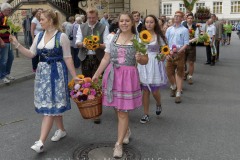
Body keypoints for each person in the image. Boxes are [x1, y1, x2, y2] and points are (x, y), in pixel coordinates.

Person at [9, 9, 80, 153]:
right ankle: (61, 130)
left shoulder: (62, 36)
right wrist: (17, 44)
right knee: (52, 105)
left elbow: (67, 57)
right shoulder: (39, 35)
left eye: (42, 19)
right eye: (39, 19)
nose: (39, 22)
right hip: (42, 74)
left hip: (56, 74)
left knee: (49, 108)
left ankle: (40, 141)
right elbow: (31, 54)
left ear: (50, 20)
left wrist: (75, 77)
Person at [92, 12, 148, 158]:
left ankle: (118, 144)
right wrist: (97, 74)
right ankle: (126, 131)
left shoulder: (138, 39)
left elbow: (145, 60)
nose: (124, 23)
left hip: (128, 77)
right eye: (122, 21)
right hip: (113, 75)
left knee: (123, 111)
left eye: (127, 21)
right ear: (118, 23)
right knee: (118, 108)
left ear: (132, 23)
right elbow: (106, 58)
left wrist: (140, 58)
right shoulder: (112, 37)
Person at [75, 7, 109, 124]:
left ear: (97, 17)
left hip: (98, 58)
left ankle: (97, 112)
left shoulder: (103, 27)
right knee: (86, 82)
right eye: (89, 18)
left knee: (96, 83)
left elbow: (106, 44)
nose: (91, 20)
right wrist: (84, 44)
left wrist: (97, 45)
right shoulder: (81, 26)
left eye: (93, 17)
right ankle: (89, 105)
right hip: (85, 57)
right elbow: (77, 42)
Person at [137, 15, 168, 124]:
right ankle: (146, 114)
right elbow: (137, 48)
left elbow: (165, 49)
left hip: (154, 64)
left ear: (155, 23)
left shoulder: (158, 36)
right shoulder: (140, 36)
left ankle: (158, 103)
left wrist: (163, 56)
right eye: (147, 22)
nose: (149, 24)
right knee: (145, 90)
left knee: (154, 91)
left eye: (151, 22)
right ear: (144, 23)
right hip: (143, 64)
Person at [165, 11, 189, 103]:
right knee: (168, 72)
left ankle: (178, 93)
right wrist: (167, 52)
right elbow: (166, 42)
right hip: (170, 53)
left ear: (182, 18)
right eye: (175, 16)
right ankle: (173, 86)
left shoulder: (184, 30)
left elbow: (186, 43)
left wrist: (179, 51)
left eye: (179, 16)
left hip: (180, 53)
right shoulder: (169, 29)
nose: (176, 17)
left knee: (179, 73)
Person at [182, 13, 199, 85]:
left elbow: (197, 37)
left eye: (191, 18)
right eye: (189, 18)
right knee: (183, 62)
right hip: (183, 46)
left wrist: (189, 41)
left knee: (191, 62)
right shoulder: (183, 25)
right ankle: (184, 73)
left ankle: (190, 77)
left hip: (192, 46)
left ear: (193, 19)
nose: (190, 19)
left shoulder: (195, 27)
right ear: (186, 19)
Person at [0, 3, 15, 84]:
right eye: (8, 10)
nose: (10, 11)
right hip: (3, 42)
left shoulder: (6, 17)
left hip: (8, 41)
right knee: (3, 60)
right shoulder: (0, 17)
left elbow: (8, 29)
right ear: (4, 10)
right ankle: (2, 76)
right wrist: (1, 41)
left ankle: (7, 73)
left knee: (11, 58)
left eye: (10, 10)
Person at [31, 8, 43, 72]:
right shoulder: (34, 20)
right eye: (38, 12)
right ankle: (34, 67)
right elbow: (32, 30)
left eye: (41, 12)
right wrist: (33, 38)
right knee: (35, 52)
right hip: (36, 37)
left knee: (41, 52)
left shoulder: (42, 19)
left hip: (42, 36)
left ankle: (40, 66)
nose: (39, 13)